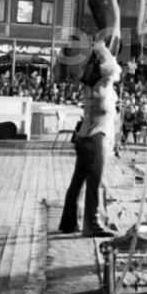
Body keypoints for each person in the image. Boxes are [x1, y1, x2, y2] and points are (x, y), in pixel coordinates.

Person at [59, 43, 121, 237]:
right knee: (94, 182)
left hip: (84, 137)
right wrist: (102, 47)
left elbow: (111, 68)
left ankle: (69, 222)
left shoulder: (89, 86)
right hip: (97, 138)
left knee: (77, 181)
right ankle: (92, 225)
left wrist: (97, 54)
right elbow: (114, 68)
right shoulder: (104, 85)